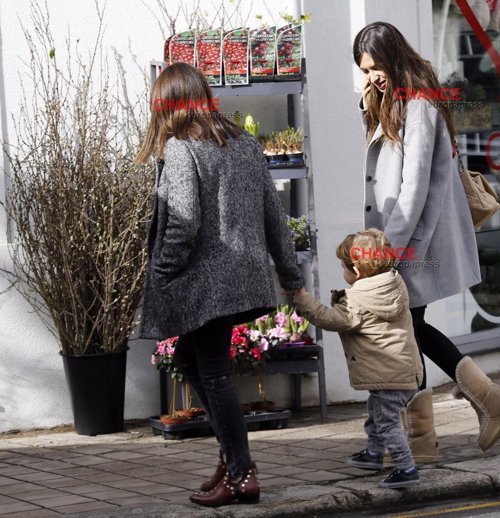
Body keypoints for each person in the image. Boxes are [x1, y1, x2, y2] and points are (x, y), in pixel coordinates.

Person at [135, 62, 304, 507]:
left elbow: (184, 224)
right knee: (193, 361)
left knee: (210, 370)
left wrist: (163, 270)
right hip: (242, 277)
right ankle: (232, 459)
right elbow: (275, 217)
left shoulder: (180, 149)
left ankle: (241, 473)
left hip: (206, 284)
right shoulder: (245, 143)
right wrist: (289, 275)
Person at [352, 22, 500, 453]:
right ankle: (448, 424)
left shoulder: (421, 105)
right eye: (364, 70)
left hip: (410, 242)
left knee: (410, 331)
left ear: (392, 57)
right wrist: (370, 102)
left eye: (374, 67)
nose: (370, 76)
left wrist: (388, 251)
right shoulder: (397, 102)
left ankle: (461, 416)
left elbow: (415, 186)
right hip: (402, 240)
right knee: (411, 330)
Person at [292, 229, 424, 489]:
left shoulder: (357, 297)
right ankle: (374, 453)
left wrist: (305, 301)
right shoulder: (394, 284)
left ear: (358, 270)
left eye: (343, 267)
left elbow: (334, 320)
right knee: (377, 412)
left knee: (387, 423)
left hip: (388, 375)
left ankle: (406, 467)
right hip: (404, 371)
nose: (343, 272)